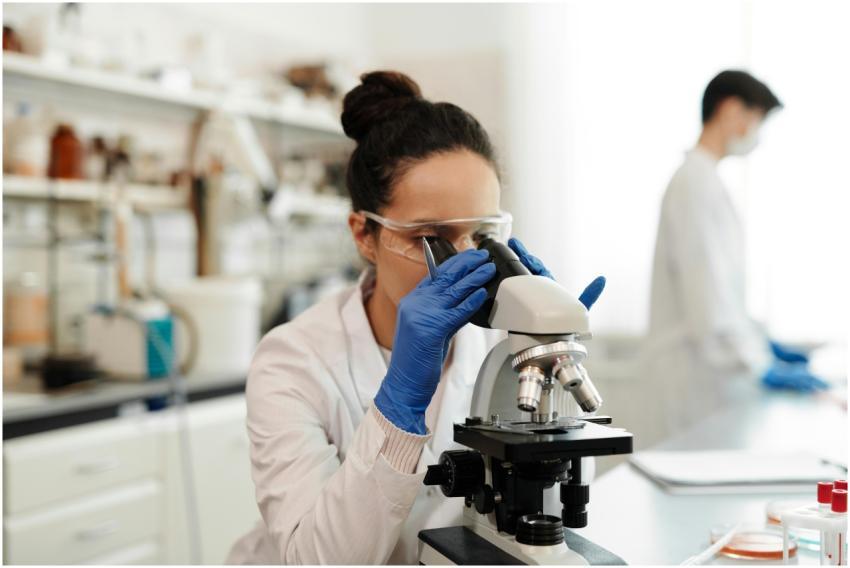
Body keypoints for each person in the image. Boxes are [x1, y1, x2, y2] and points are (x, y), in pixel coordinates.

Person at [227, 71, 605, 564]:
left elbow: (549, 518)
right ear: (364, 234)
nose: (468, 259)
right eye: (433, 237)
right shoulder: (293, 361)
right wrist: (400, 402)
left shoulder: (500, 349)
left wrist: (549, 349)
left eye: (484, 234)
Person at [647, 69, 828, 434]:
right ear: (731, 110)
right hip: (694, 377)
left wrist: (762, 342)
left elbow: (723, 295)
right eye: (757, 120)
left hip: (709, 373)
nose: (756, 134)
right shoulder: (694, 184)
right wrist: (757, 364)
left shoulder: (706, 180)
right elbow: (706, 297)